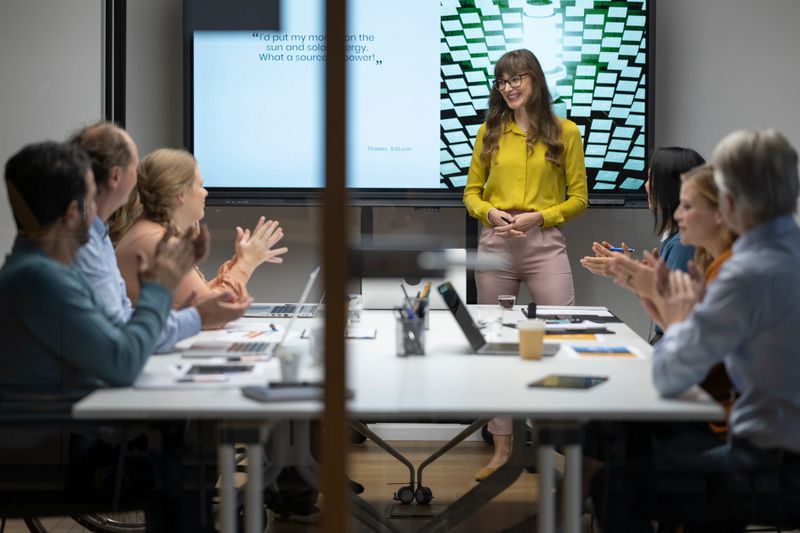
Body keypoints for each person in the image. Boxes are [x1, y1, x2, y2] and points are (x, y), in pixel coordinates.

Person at [591, 130, 800, 531]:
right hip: (779, 457)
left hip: (770, 469)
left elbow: (669, 376)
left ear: (728, 201)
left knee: (616, 485)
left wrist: (676, 315)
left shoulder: (745, 272)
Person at [462, 48, 588, 481]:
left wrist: (541, 217)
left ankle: (563, 446)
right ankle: (502, 449)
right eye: (502, 81)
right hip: (496, 243)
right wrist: (489, 214)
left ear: (535, 80)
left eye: (517, 78)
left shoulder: (566, 132)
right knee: (495, 346)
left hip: (543, 243)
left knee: (563, 337)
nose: (509, 87)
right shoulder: (489, 132)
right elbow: (471, 194)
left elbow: (578, 199)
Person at [70, 123, 248, 350]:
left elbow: (128, 323)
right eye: (134, 169)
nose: (139, 181)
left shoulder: (101, 238)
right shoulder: (99, 244)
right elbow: (217, 312)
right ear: (116, 176)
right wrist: (246, 263)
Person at [114, 148, 288, 309]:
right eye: (200, 185)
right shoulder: (159, 242)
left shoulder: (148, 232)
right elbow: (212, 311)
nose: (205, 192)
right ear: (181, 194)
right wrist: (247, 262)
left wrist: (240, 260)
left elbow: (197, 300)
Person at [581, 146, 703, 342]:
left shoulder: (682, 244)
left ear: (668, 187)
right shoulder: (675, 238)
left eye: (650, 179)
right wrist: (631, 271)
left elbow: (670, 314)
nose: (646, 186)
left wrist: (630, 273)